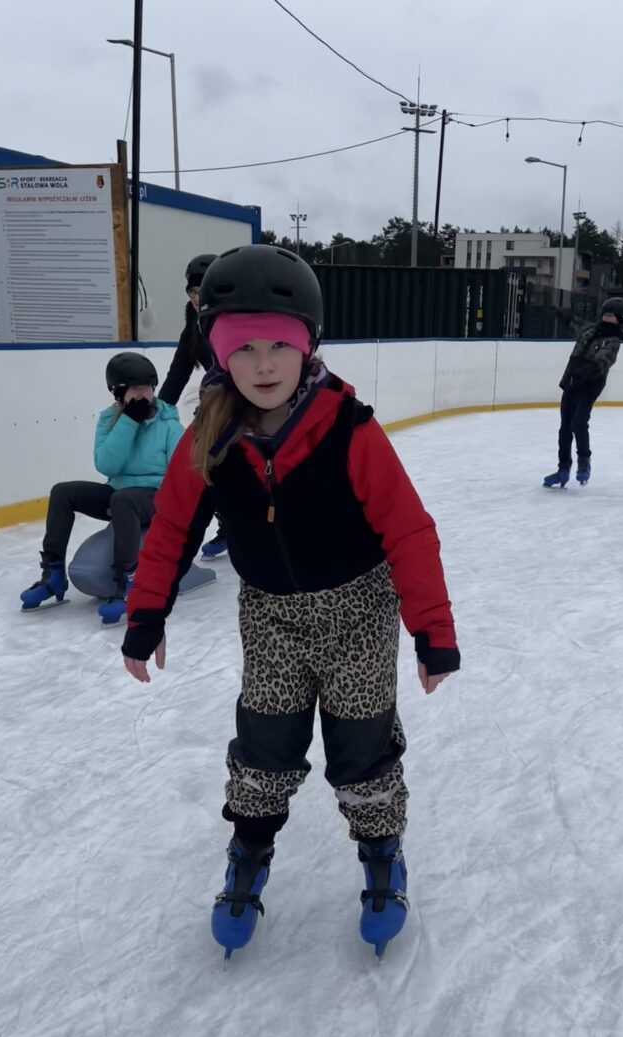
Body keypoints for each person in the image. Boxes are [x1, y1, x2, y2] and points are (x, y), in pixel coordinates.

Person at [120, 245, 460, 959]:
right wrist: (146, 614)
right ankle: (247, 853)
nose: (265, 363)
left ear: (308, 346)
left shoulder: (349, 429)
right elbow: (172, 530)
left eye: (280, 344)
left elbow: (407, 530)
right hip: (271, 617)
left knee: (362, 748)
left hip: (359, 613)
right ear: (219, 353)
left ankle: (380, 855)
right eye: (245, 347)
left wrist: (430, 630)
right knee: (263, 745)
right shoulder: (208, 438)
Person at [20, 352, 182, 624]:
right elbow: (107, 465)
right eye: (134, 389)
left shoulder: (169, 425)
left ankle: (128, 582)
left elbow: (178, 479)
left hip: (156, 499)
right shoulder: (110, 420)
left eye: (147, 387)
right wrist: (129, 422)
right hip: (120, 495)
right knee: (63, 492)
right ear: (119, 393)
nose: (142, 394)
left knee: (124, 499)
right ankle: (53, 573)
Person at [158, 253, 229, 560]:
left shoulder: (236, 318)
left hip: (249, 406)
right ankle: (227, 526)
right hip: (217, 407)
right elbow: (179, 370)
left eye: (203, 290)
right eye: (192, 292)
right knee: (207, 466)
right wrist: (159, 408)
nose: (198, 298)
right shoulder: (196, 325)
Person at [543, 297, 623, 488]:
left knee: (579, 422)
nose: (607, 319)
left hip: (590, 384)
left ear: (621, 320)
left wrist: (585, 370)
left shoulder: (613, 341)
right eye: (605, 315)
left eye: (612, 317)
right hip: (571, 381)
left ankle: (584, 462)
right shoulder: (590, 329)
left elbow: (603, 361)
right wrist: (560, 312)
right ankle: (563, 468)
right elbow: (573, 322)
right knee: (565, 427)